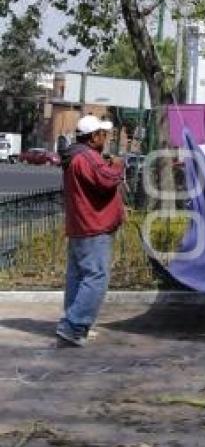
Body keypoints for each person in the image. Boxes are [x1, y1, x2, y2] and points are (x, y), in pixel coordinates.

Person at [56, 115, 125, 347]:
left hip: (80, 226)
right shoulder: (87, 157)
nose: (105, 138)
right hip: (93, 226)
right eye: (102, 134)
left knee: (78, 276)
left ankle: (72, 321)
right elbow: (106, 180)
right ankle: (74, 326)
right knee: (96, 277)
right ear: (93, 137)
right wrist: (117, 165)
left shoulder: (74, 155)